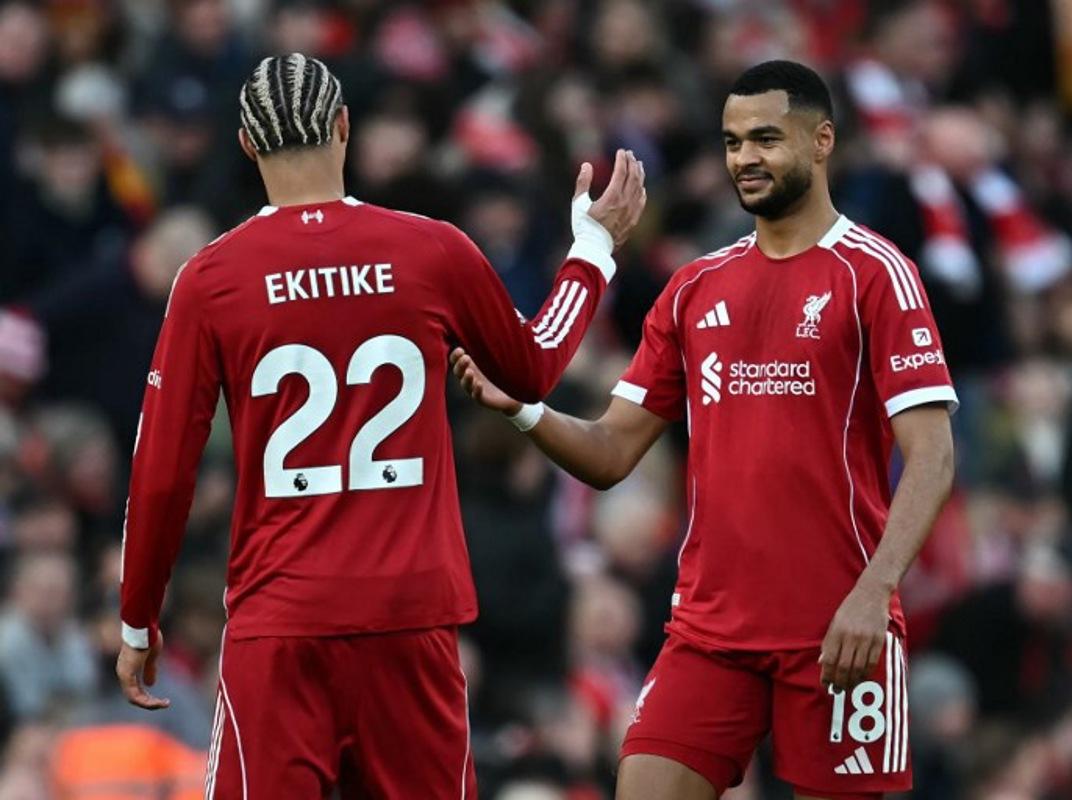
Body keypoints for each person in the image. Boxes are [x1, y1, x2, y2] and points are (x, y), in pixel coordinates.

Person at [115, 53, 645, 799]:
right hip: (409, 616)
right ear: (343, 126)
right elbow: (535, 364)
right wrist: (593, 249)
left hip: (284, 618)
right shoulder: (430, 248)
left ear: (244, 143)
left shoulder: (213, 278)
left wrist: (138, 620)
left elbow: (162, 470)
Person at [452, 60, 956, 800]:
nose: (744, 158)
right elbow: (612, 451)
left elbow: (934, 456)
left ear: (821, 141)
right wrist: (525, 410)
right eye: (730, 142)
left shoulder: (876, 274)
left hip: (841, 626)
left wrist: (873, 594)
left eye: (764, 138)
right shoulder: (695, 287)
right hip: (710, 631)